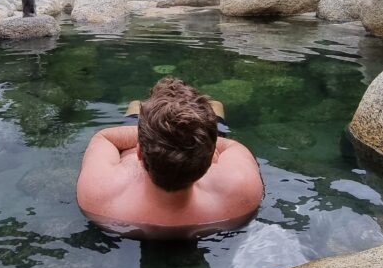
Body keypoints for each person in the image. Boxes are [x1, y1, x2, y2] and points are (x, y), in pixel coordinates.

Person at [77, 77, 263, 239]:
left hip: (153, 145)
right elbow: (233, 147)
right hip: (190, 147)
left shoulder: (98, 196)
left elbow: (104, 137)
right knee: (216, 106)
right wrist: (187, 140)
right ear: (211, 159)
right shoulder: (243, 192)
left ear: (139, 152)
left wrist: (156, 137)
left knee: (136, 105)